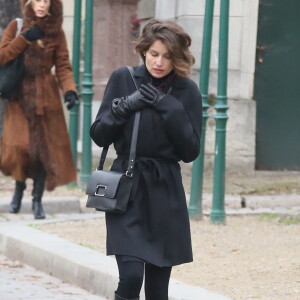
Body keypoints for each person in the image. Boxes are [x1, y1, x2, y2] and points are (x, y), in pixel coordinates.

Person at [90, 19, 202, 300]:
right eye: (154, 54)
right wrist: (126, 105)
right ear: (144, 52)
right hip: (127, 188)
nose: (159, 62)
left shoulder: (187, 92)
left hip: (165, 191)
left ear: (177, 57)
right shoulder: (123, 78)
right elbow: (99, 134)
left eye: (167, 56)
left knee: (157, 290)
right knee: (130, 278)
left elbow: (190, 151)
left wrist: (169, 107)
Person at [0, 0, 78, 219]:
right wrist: (24, 39)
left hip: (47, 97)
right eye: (37, 0)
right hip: (19, 96)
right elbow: (2, 56)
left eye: (46, 0)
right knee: (20, 147)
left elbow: (63, 64)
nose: (42, 5)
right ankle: (18, 190)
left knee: (45, 151)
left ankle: (37, 200)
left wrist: (70, 91)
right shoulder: (16, 25)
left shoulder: (56, 31)